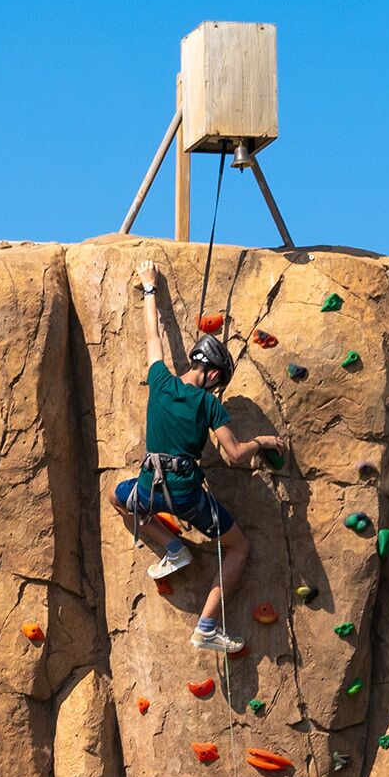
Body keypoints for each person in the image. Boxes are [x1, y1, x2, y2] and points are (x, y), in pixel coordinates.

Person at [112, 257, 285, 654]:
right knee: (239, 547)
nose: (217, 389)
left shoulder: (160, 381)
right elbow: (236, 454)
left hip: (149, 489)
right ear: (213, 374)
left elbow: (153, 336)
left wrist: (150, 287)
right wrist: (261, 442)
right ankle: (206, 627)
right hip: (188, 497)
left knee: (115, 496)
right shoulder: (209, 405)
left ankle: (172, 549)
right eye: (219, 383)